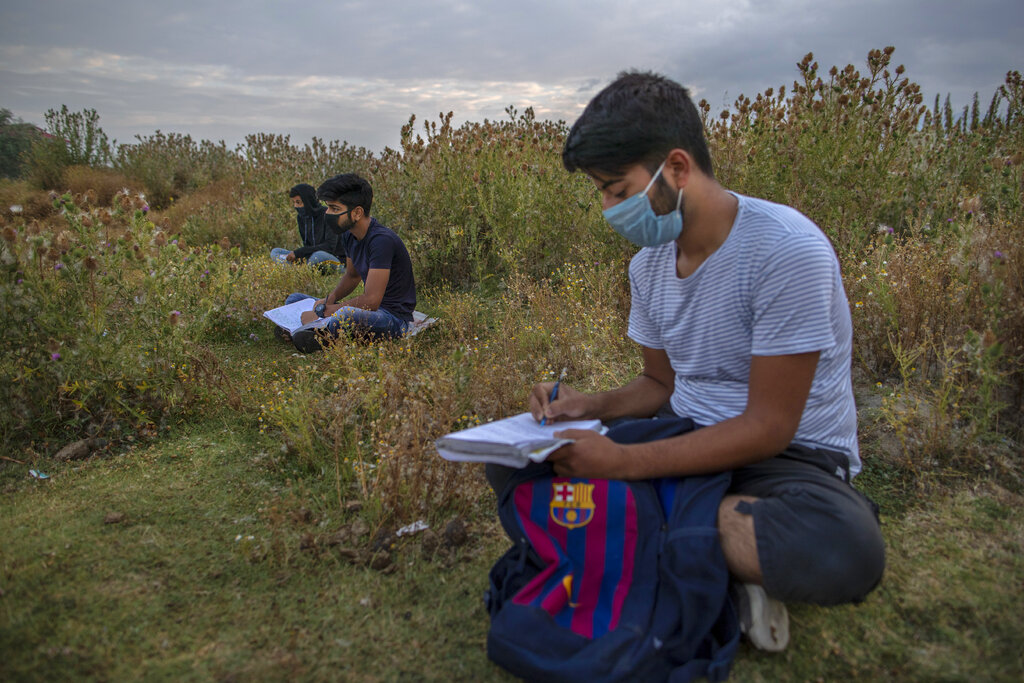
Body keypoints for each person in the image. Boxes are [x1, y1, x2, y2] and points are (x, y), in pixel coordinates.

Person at [499, 71, 885, 652]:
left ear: (676, 169)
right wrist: (587, 405)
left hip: (785, 461)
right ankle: (702, 559)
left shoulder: (786, 250)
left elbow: (767, 428)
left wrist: (623, 465)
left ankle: (630, 537)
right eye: (601, 192)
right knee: (514, 459)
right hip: (683, 435)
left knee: (845, 548)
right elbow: (660, 382)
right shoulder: (649, 265)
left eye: (617, 190)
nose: (607, 208)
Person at [283, 173, 417, 353]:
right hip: (369, 312)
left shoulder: (381, 241)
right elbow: (352, 276)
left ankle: (317, 333)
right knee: (294, 299)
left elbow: (371, 301)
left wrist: (323, 312)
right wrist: (329, 300)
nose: (328, 213)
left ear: (357, 212)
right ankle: (314, 331)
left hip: (392, 318)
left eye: (334, 209)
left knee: (345, 315)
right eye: (328, 207)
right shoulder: (349, 234)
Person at [270, 183, 347, 271]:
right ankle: (300, 269)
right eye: (294, 202)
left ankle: (299, 269)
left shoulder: (328, 215)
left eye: (298, 202)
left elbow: (329, 247)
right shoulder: (301, 218)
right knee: (275, 252)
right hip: (311, 258)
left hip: (334, 259)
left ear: (308, 201)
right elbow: (307, 245)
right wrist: (299, 256)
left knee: (318, 256)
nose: (296, 206)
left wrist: (300, 252)